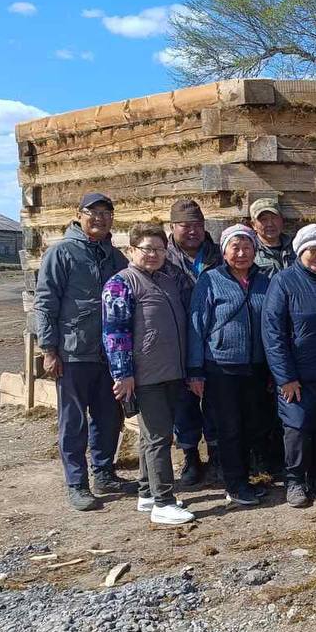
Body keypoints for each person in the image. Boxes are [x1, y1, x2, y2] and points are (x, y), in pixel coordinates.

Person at [34, 191, 129, 511]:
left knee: (109, 416)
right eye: (93, 212)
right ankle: (77, 482)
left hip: (110, 353)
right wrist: (49, 348)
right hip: (74, 351)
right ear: (79, 215)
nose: (99, 218)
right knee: (73, 421)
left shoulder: (116, 258)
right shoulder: (61, 253)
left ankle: (104, 472)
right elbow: (45, 303)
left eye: (106, 213)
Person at [101, 223, 195, 525]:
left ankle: (147, 493)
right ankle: (164, 503)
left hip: (170, 371)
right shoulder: (121, 284)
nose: (154, 254)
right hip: (145, 375)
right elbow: (115, 334)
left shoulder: (165, 281)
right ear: (131, 251)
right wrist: (123, 374)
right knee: (158, 438)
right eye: (147, 249)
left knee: (150, 437)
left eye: (159, 249)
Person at [262, 225, 316, 509]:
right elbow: (273, 332)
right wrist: (285, 377)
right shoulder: (284, 282)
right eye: (314, 251)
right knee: (297, 426)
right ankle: (295, 480)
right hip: (296, 373)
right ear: (301, 251)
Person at [187, 224, 272, 507]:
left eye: (247, 247)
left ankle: (244, 479)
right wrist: (195, 370)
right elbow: (197, 328)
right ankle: (234, 485)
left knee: (252, 425)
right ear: (224, 252)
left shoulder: (264, 280)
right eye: (235, 247)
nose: (241, 253)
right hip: (221, 367)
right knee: (229, 427)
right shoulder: (210, 280)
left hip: (256, 366)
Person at [164, 199, 221, 489]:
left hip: (213, 342)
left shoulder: (218, 255)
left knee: (215, 403)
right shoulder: (162, 258)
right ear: (172, 227)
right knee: (183, 404)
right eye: (186, 226)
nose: (193, 231)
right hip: (176, 343)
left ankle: (216, 457)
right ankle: (190, 457)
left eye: (198, 225)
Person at [251, 196, 294, 275]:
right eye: (264, 219)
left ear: (282, 220)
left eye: (274, 218)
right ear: (253, 225)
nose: (270, 224)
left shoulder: (295, 247)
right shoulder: (249, 250)